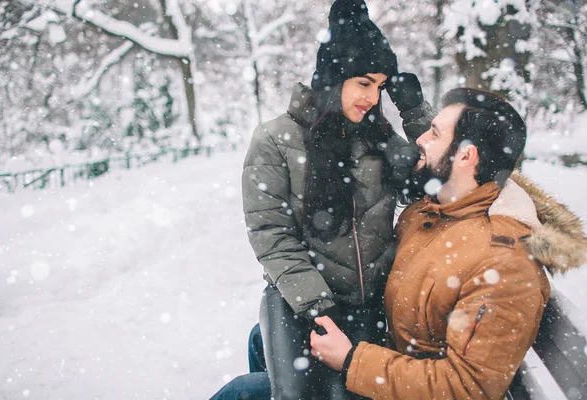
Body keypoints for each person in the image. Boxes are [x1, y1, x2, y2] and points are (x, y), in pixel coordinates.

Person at [308, 88, 587, 399]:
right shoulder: (432, 211)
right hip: (390, 370)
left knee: (246, 390)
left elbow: (467, 388)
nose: (420, 140)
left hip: (398, 384)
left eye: (434, 133)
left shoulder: (505, 265)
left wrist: (351, 361)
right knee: (265, 340)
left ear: (466, 156)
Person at [214, 0, 432, 399]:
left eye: (380, 86)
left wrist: (414, 110)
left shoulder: (378, 139)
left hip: (369, 310)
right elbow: (271, 234)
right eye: (364, 82)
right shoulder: (276, 139)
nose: (372, 97)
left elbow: (436, 176)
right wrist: (317, 309)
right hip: (305, 305)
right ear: (333, 78)